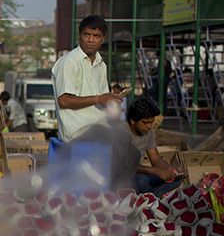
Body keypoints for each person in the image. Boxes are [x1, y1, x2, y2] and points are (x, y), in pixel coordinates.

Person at [51, 15, 120, 143]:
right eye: (86, 34)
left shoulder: (101, 64)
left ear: (102, 39)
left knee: (133, 137)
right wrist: (99, 99)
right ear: (80, 36)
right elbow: (64, 101)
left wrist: (111, 101)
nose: (90, 40)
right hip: (78, 133)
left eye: (96, 36)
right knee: (126, 145)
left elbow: (103, 99)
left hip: (99, 127)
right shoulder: (69, 62)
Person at [117, 97, 185, 197]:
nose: (149, 126)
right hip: (120, 177)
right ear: (132, 120)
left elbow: (155, 159)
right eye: (145, 123)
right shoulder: (121, 132)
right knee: (142, 181)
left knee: (176, 180)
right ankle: (142, 198)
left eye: (151, 122)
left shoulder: (148, 131)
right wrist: (157, 171)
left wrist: (171, 169)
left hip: (137, 175)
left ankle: (147, 199)